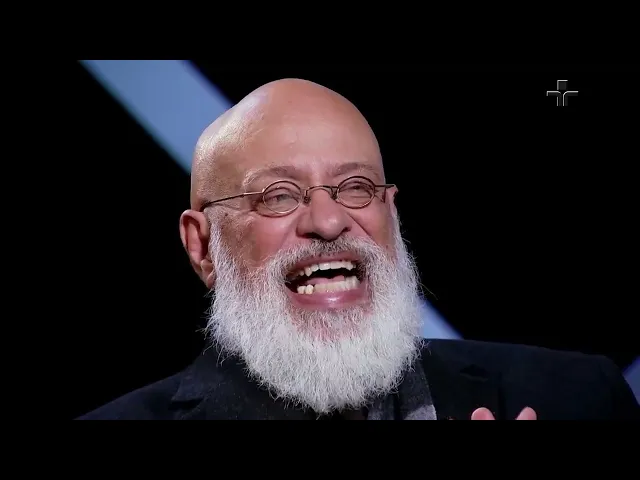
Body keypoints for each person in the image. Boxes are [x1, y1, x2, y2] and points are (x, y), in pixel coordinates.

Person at [78, 78, 639, 420]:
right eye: (278, 195)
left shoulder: (576, 398)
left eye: (355, 187)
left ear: (390, 213)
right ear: (203, 246)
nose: (328, 221)